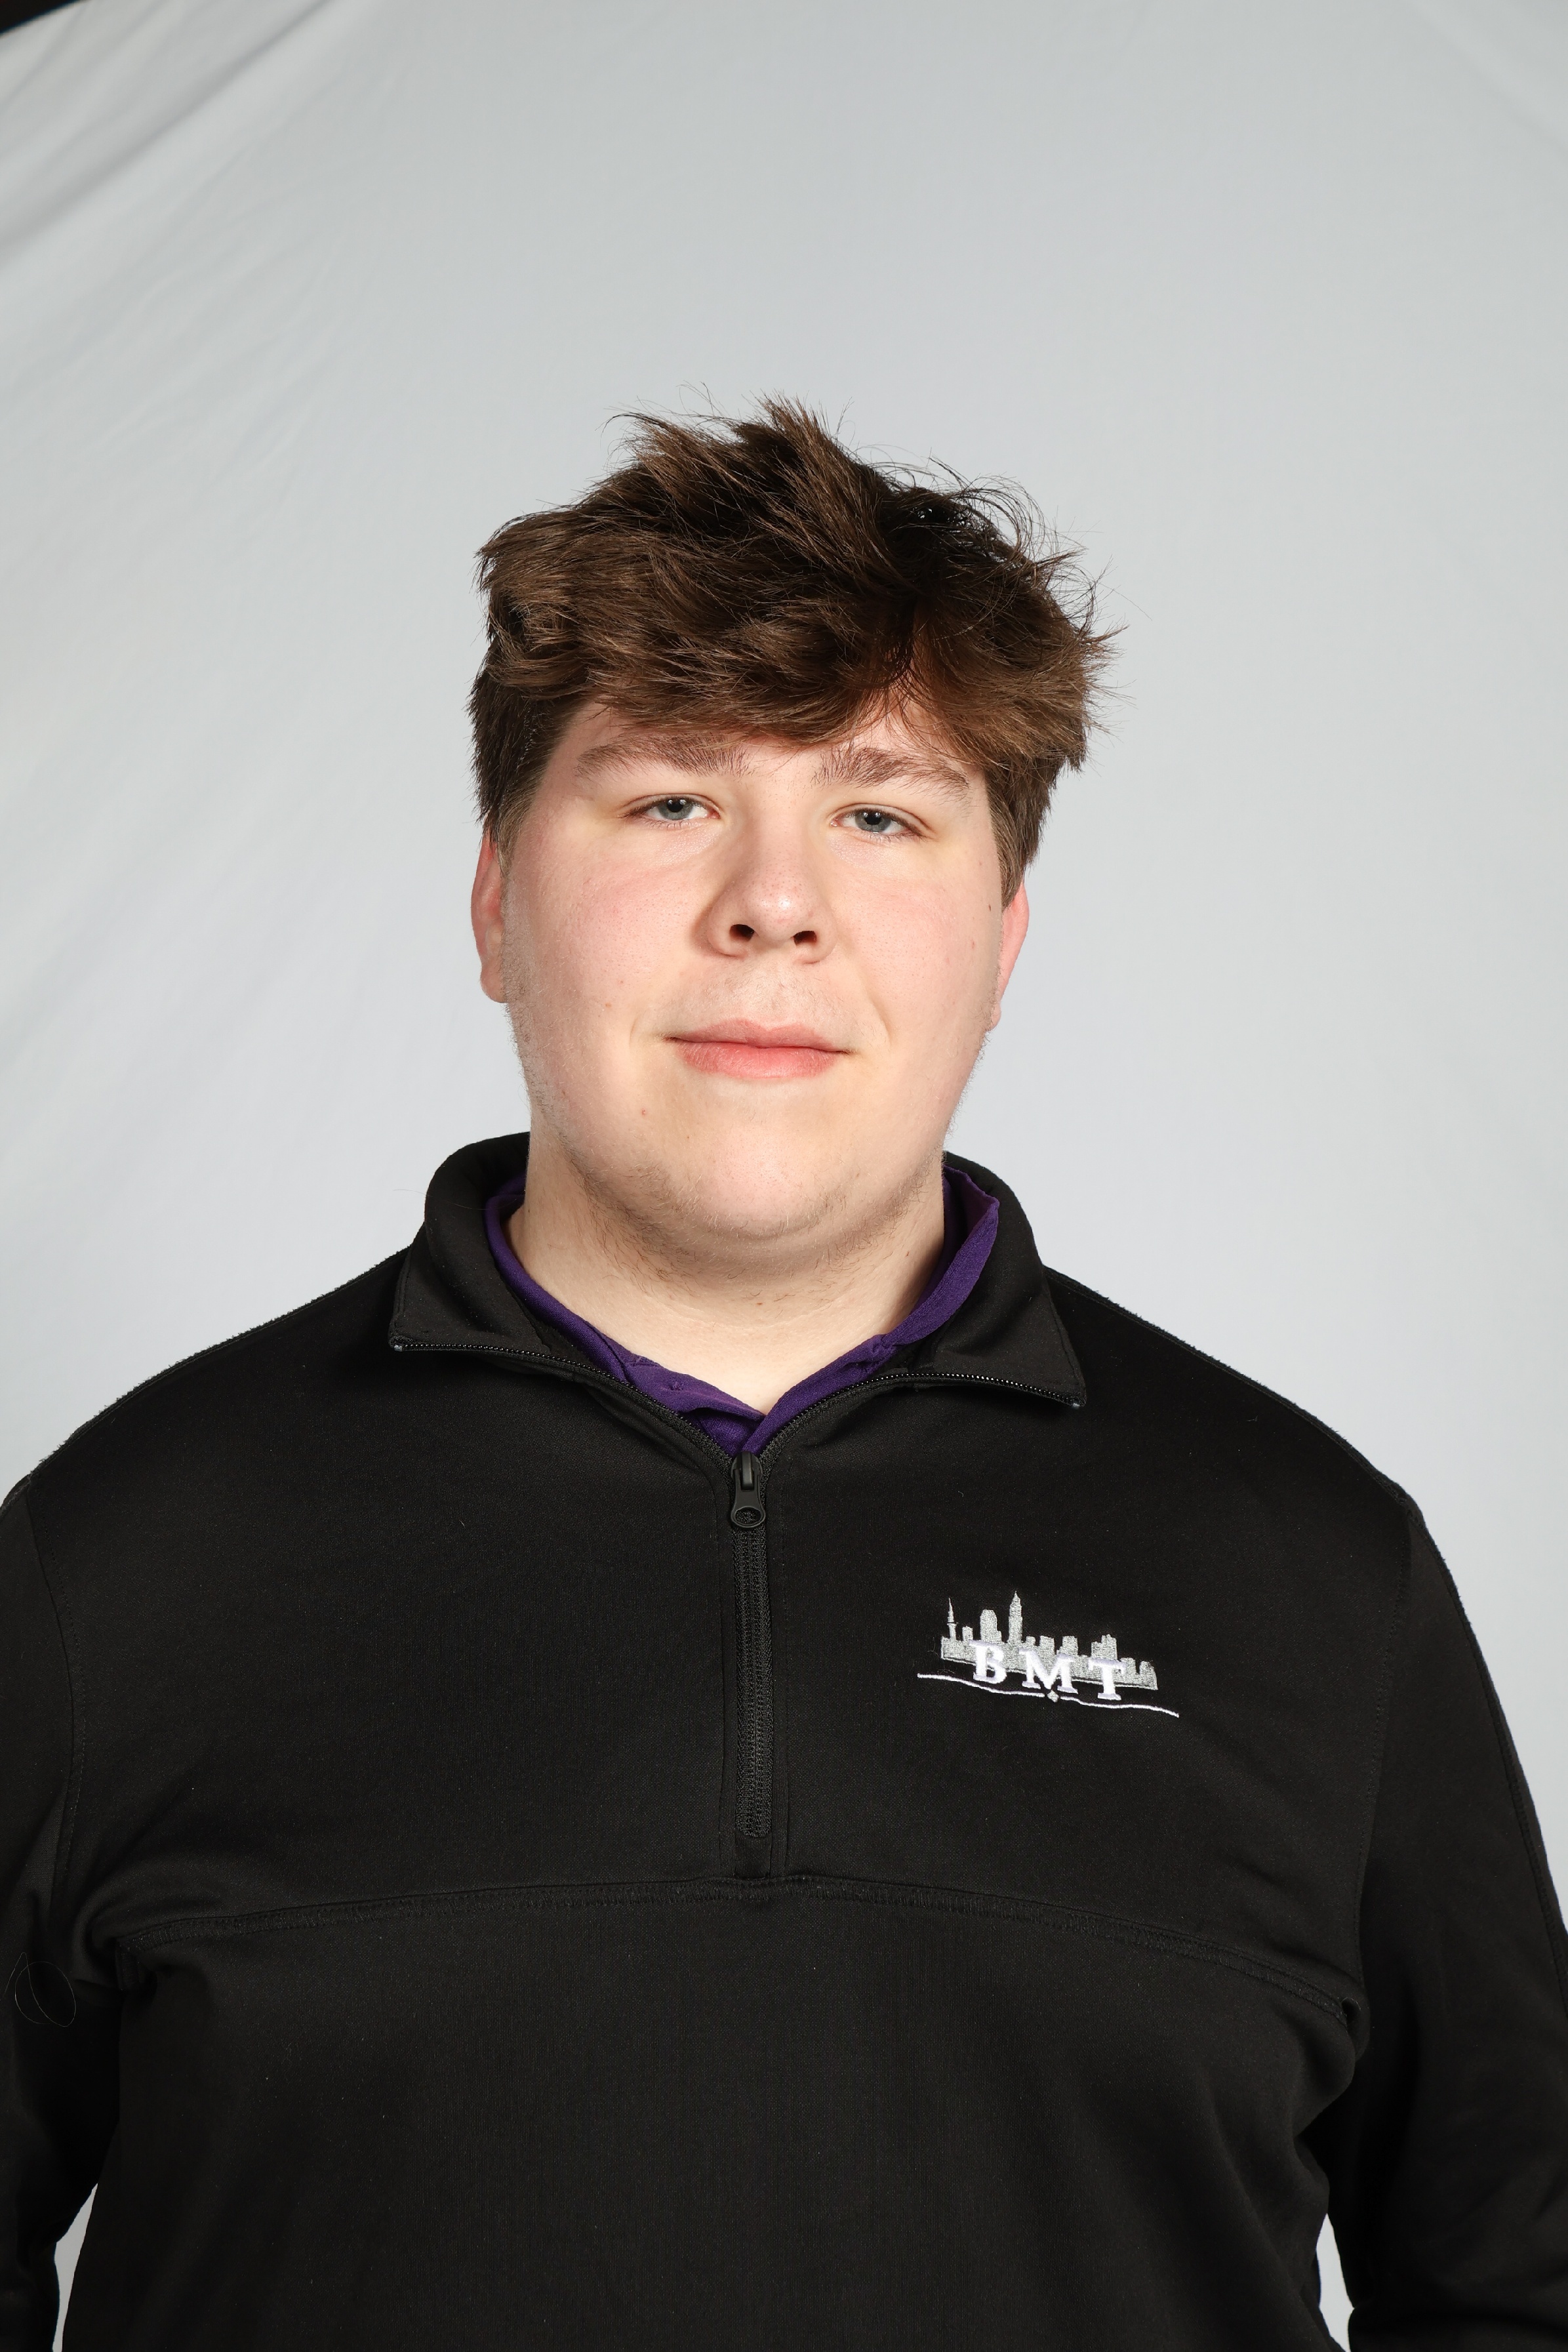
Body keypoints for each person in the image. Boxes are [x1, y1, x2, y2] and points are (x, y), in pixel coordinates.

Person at [2, 402, 1565, 2351]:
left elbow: (1517, 2289)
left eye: (880, 814)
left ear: (1004, 935)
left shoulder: (1313, 1573)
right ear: (494, 905)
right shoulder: (123, 1557)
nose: (773, 901)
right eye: (670, 801)